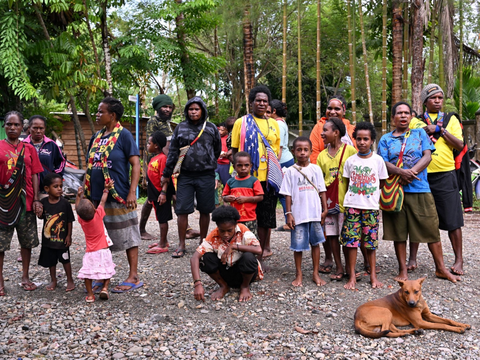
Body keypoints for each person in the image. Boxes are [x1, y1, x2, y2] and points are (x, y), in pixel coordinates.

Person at [377, 102, 460, 283]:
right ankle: (402, 270)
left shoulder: (420, 133)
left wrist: (411, 172)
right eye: (399, 113)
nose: (404, 116)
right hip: (396, 191)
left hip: (420, 188)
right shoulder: (385, 139)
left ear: (411, 117)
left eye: (407, 113)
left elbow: (427, 155)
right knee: (398, 233)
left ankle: (441, 268)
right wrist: (401, 172)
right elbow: (382, 163)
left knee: (431, 229)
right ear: (393, 118)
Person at [85, 97, 143, 293]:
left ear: (113, 115)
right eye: (98, 111)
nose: (97, 114)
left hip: (119, 194)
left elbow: (135, 164)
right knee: (99, 236)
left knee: (128, 234)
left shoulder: (124, 135)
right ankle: (101, 274)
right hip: (96, 197)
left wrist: (132, 192)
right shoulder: (97, 137)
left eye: (101, 112)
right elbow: (91, 165)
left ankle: (133, 276)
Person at [408, 84, 466, 276]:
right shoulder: (415, 121)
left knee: (453, 219)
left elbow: (459, 144)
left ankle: (459, 260)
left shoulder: (451, 119)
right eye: (433, 98)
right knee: (417, 217)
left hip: (445, 173)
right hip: (421, 175)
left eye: (440, 98)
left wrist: (440, 130)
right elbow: (414, 137)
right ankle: (413, 258)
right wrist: (428, 128)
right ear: (425, 101)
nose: (438, 101)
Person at [162, 96, 221, 258]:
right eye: (190, 109)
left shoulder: (211, 128)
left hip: (206, 175)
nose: (193, 112)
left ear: (202, 111)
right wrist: (166, 174)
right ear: (187, 111)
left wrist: (206, 161)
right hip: (185, 176)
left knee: (205, 209)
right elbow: (173, 152)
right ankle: (181, 244)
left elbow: (217, 149)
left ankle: (203, 242)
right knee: (182, 210)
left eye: (196, 109)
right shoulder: (180, 128)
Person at [309, 95, 359, 274]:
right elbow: (314, 152)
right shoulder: (318, 128)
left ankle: (351, 265)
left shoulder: (351, 129)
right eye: (330, 108)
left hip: (346, 192)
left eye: (337, 109)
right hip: (326, 188)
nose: (333, 111)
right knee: (329, 229)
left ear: (344, 110)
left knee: (348, 229)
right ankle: (331, 259)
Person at [141, 94, 200, 240]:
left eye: (169, 107)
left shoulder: (167, 123)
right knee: (152, 199)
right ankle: (141, 230)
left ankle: (186, 228)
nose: (167, 109)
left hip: (168, 165)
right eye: (164, 107)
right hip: (156, 167)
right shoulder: (153, 122)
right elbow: (158, 147)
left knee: (172, 196)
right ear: (158, 108)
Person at [231, 85, 281, 258]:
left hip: (268, 179)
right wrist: (236, 178)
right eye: (258, 100)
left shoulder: (274, 123)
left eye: (264, 101)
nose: (261, 103)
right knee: (246, 215)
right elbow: (235, 151)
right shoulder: (241, 122)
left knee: (266, 217)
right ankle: (245, 251)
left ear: (269, 105)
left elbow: (276, 151)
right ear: (251, 102)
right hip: (248, 178)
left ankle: (260, 253)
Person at [0, 111, 43, 294]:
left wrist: (36, 200)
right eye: (9, 124)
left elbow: (35, 174)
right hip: (3, 205)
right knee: (0, 245)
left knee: (26, 243)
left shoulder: (29, 149)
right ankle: (0, 279)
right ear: (4, 126)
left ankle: (25, 276)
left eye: (16, 125)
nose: (12, 127)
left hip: (26, 204)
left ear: (22, 128)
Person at [341, 122, 388, 290]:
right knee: (351, 242)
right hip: (352, 206)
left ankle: (373, 276)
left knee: (370, 242)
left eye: (365, 139)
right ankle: (352, 276)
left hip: (371, 208)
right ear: (354, 140)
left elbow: (381, 182)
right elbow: (347, 183)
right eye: (359, 139)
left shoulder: (378, 160)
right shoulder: (350, 161)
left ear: (372, 141)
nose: (362, 142)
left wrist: (371, 197)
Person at [280, 136, 328, 287]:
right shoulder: (290, 172)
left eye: (305, 150)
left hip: (314, 214)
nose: (302, 153)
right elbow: (287, 194)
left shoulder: (316, 169)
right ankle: (298, 273)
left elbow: (322, 190)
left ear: (310, 151)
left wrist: (325, 209)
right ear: (293, 151)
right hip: (298, 215)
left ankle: (315, 273)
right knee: (298, 246)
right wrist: (289, 214)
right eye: (299, 150)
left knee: (316, 243)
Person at [190, 206, 263, 302]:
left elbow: (258, 250)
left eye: (229, 230)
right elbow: (194, 258)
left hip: (244, 273)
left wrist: (233, 246)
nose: (225, 234)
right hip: (226, 274)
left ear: (235, 225)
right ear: (217, 227)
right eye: (222, 231)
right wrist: (198, 284)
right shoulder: (213, 235)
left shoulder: (242, 230)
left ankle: (245, 287)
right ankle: (223, 286)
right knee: (205, 258)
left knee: (248, 257)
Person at [317, 117, 357, 281]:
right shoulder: (321, 156)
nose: (322, 133)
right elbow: (320, 182)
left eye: (325, 130)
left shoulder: (350, 151)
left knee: (347, 236)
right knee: (332, 235)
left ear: (336, 132)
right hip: (329, 203)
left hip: (347, 202)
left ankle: (350, 267)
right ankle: (339, 267)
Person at [76, 183, 116, 302]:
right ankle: (104, 288)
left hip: (91, 252)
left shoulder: (82, 221)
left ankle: (90, 295)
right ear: (94, 209)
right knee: (107, 270)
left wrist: (78, 196)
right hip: (104, 250)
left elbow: (77, 209)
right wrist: (106, 190)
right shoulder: (98, 215)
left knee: (87, 275)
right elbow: (102, 202)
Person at [38, 173, 75, 292]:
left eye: (61, 186)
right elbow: (41, 218)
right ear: (47, 189)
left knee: (66, 260)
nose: (59, 189)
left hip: (62, 240)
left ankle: (70, 280)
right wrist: (38, 213)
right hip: (48, 240)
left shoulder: (65, 203)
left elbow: (69, 220)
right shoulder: (44, 203)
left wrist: (69, 236)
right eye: (56, 186)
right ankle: (53, 280)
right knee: (51, 262)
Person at [145, 131, 174, 254]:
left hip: (161, 193)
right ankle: (164, 240)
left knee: (163, 219)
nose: (147, 145)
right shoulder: (154, 158)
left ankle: (162, 245)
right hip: (155, 193)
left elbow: (165, 177)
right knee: (159, 217)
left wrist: (163, 193)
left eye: (149, 143)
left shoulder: (163, 158)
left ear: (156, 145)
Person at [222, 152, 264, 238]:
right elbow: (224, 197)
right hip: (234, 218)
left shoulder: (254, 181)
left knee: (250, 238)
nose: (243, 168)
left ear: (251, 166)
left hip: (250, 218)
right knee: (235, 238)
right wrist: (227, 198)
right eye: (239, 165)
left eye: (246, 165)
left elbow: (260, 197)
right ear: (234, 166)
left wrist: (246, 199)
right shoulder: (230, 182)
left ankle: (251, 251)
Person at [268, 100, 294, 232]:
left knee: (283, 192)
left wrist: (274, 163)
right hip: (286, 159)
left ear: (273, 111)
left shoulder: (277, 124)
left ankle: (288, 222)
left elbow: (279, 147)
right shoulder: (282, 123)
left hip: (282, 161)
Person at [24, 115, 66, 193]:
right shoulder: (23, 144)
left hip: (47, 189)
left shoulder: (51, 144)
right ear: (29, 128)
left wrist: (54, 177)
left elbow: (61, 162)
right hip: (27, 188)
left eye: (41, 128)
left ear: (45, 129)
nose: (38, 131)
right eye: (35, 128)